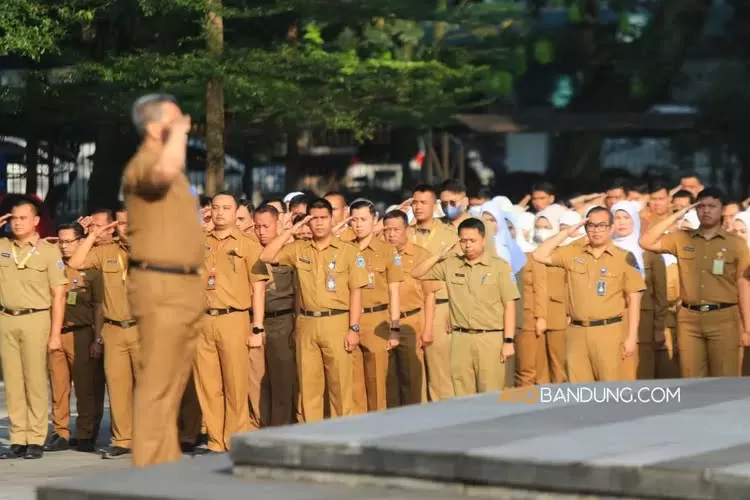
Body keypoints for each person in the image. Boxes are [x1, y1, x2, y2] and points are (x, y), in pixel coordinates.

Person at [122, 94, 207, 467]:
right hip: (160, 285)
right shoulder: (144, 164)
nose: (186, 123)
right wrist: (181, 134)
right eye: (177, 120)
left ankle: (165, 467)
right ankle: (147, 474)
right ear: (157, 127)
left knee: (173, 387)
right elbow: (163, 171)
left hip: (184, 286)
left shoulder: (177, 173)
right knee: (157, 385)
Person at [259, 198, 368, 422]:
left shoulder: (348, 251)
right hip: (306, 324)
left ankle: (342, 436)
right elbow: (266, 256)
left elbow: (357, 292)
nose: (318, 224)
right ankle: (314, 437)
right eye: (314, 219)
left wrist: (354, 328)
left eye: (323, 218)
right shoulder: (298, 249)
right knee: (309, 387)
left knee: (339, 387)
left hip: (337, 321)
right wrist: (294, 228)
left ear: (331, 220)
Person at [640, 188, 750, 378]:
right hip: (689, 319)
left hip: (724, 318)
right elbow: (646, 241)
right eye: (701, 206)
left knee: (724, 379)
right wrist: (678, 214)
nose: (706, 211)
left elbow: (743, 285)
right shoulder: (683, 238)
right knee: (691, 378)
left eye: (712, 206)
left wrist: (747, 327)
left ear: (723, 210)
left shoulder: (736, 244)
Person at [533, 206, 645, 382]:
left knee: (611, 391)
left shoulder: (624, 257)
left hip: (609, 332)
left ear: (611, 227)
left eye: (601, 225)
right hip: (576, 332)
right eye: (591, 226)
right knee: (580, 393)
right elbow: (539, 255)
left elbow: (634, 299)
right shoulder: (573, 253)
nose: (596, 230)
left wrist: (631, 337)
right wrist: (567, 233)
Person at [193, 193, 268, 453]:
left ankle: (235, 438)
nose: (220, 213)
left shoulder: (248, 244)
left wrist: (257, 327)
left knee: (236, 384)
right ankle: (215, 440)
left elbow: (258, 288)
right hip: (202, 319)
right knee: (208, 384)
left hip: (234, 318)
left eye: (226, 208)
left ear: (236, 212)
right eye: (215, 208)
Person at [412, 218, 519, 394]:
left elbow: (509, 305)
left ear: (483, 240)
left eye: (472, 240)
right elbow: (417, 273)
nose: (467, 245)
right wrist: (439, 255)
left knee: (490, 392)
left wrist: (508, 341)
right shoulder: (451, 264)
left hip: (490, 338)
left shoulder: (499, 267)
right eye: (463, 240)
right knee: (462, 394)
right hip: (460, 338)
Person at [0, 199, 68, 460]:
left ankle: (36, 439)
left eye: (23, 218)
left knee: (35, 381)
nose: (17, 223)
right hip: (7, 318)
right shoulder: (3, 247)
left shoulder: (48, 251)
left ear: (36, 221)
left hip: (36, 319)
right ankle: (18, 438)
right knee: (13, 383)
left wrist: (54, 334)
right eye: (13, 218)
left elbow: (58, 295)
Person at [68, 208, 137, 460]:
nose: (126, 227)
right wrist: (91, 235)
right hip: (115, 329)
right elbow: (75, 263)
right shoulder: (107, 252)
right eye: (122, 223)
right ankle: (122, 439)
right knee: (118, 388)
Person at [45, 222, 105, 454]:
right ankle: (60, 432)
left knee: (85, 387)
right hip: (55, 333)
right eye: (60, 241)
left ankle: (85, 433)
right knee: (58, 388)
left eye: (69, 241)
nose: (64, 246)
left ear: (81, 241)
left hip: (81, 333)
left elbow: (99, 307)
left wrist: (97, 339)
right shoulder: (53, 266)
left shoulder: (90, 270)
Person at [347, 199, 402, 413]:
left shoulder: (387, 252)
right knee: (353, 386)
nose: (359, 224)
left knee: (377, 383)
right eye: (354, 220)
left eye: (364, 219)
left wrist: (394, 328)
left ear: (375, 220)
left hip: (376, 320)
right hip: (351, 320)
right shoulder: (344, 248)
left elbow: (394, 291)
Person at [406, 185, 458, 401]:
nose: (418, 207)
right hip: (410, 310)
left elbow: (459, 276)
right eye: (414, 203)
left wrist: (454, 311)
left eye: (423, 202)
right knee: (414, 375)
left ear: (435, 205)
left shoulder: (451, 236)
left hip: (439, 308)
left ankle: (446, 422)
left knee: (439, 374)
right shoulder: (403, 233)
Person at [382, 210, 435, 406]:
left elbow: (430, 295)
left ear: (407, 229)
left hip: (411, 323)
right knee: (388, 382)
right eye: (387, 229)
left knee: (411, 380)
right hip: (383, 323)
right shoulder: (378, 254)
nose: (391, 234)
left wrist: (428, 330)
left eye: (396, 229)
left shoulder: (421, 255)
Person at [253, 204, 299, 425]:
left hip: (283, 322)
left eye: (266, 226)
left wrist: (296, 325)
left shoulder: (289, 250)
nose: (261, 231)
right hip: (255, 322)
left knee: (282, 382)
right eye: (257, 226)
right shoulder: (249, 248)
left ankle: (280, 430)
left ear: (278, 224)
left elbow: (300, 292)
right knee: (258, 382)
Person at [611, 201, 667, 380]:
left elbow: (660, 294)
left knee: (641, 372)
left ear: (635, 220)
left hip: (644, 320)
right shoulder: (606, 250)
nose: (621, 222)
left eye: (626, 217)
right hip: (614, 318)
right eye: (617, 218)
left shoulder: (648, 252)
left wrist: (659, 327)